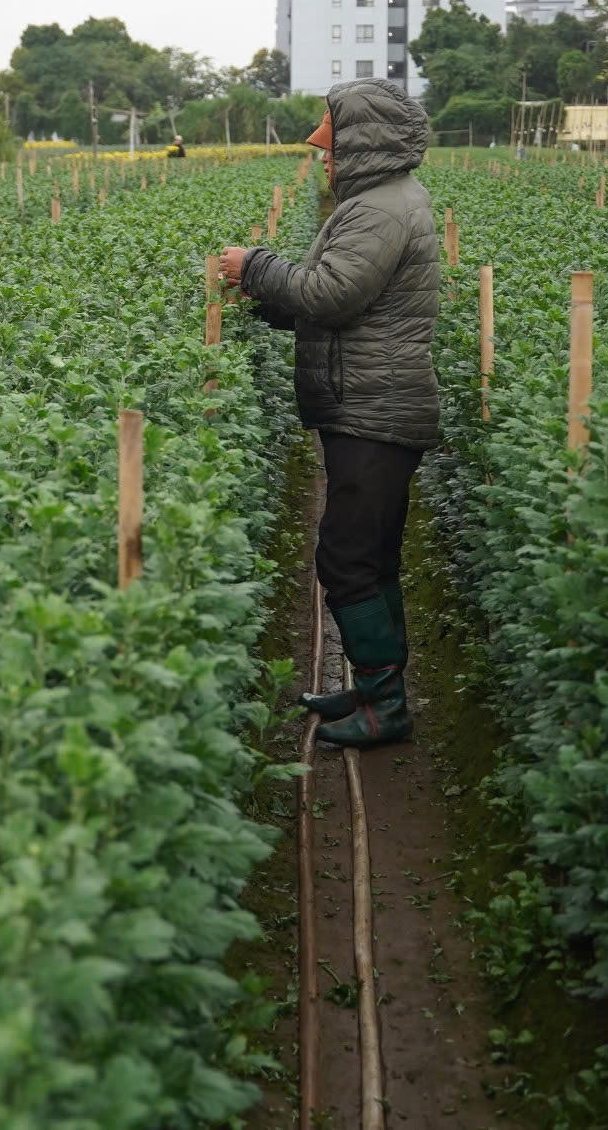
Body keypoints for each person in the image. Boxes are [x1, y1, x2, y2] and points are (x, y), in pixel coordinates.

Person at [216, 80, 440, 747]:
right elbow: (347, 306)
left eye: (330, 146)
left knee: (345, 559)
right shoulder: (381, 201)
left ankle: (386, 703)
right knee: (372, 556)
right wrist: (270, 305)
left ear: (362, 144)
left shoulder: (380, 210)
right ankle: (374, 685)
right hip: (371, 400)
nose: (322, 158)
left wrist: (255, 266)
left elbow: (333, 293)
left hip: (375, 409)